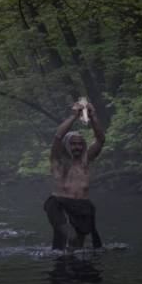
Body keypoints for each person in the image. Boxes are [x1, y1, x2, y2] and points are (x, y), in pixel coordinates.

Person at [45, 101, 105, 250]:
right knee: (69, 236)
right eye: (73, 144)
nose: (77, 147)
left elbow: (100, 140)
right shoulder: (58, 160)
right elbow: (58, 137)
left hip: (83, 206)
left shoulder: (86, 160)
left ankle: (71, 265)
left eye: (79, 144)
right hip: (59, 204)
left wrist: (92, 116)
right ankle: (60, 264)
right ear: (66, 145)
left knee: (77, 247)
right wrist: (75, 116)